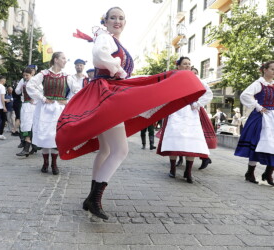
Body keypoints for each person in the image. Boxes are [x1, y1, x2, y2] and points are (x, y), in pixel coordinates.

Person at [56, 7, 205, 220]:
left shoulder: (114, 41)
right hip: (106, 95)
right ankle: (94, 198)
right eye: (113, 18)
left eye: (121, 18)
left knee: (106, 149)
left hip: (109, 93)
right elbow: (99, 57)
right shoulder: (104, 36)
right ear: (105, 21)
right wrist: (118, 67)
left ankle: (91, 196)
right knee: (120, 150)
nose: (117, 21)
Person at [157, 56, 213, 183]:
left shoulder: (196, 78)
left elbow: (208, 93)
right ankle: (172, 169)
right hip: (175, 112)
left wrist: (198, 103)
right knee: (174, 141)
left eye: (189, 64)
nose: (187, 66)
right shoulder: (173, 78)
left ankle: (188, 172)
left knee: (191, 142)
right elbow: (165, 92)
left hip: (191, 113)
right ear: (178, 66)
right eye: (185, 64)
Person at [27, 52, 80, 174]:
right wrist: (43, 98)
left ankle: (54, 163)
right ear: (56, 60)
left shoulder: (67, 75)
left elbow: (77, 91)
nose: (65, 61)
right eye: (63, 58)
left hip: (59, 110)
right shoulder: (44, 74)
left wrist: (68, 101)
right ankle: (45, 163)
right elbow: (30, 85)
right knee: (45, 135)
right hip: (45, 108)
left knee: (56, 135)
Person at [234, 61, 274, 185]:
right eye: (272, 69)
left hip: (272, 117)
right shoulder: (259, 83)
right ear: (265, 70)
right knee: (257, 144)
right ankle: (250, 172)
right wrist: (257, 106)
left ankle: (268, 173)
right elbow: (245, 95)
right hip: (261, 117)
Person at [16, 68, 38, 157]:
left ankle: (26, 148)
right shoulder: (24, 82)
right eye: (24, 75)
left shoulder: (35, 82)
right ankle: (32, 146)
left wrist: (35, 100)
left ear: (31, 74)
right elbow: (17, 92)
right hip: (25, 105)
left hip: (31, 107)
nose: (25, 77)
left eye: (27, 75)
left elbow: (41, 92)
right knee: (24, 126)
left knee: (28, 126)